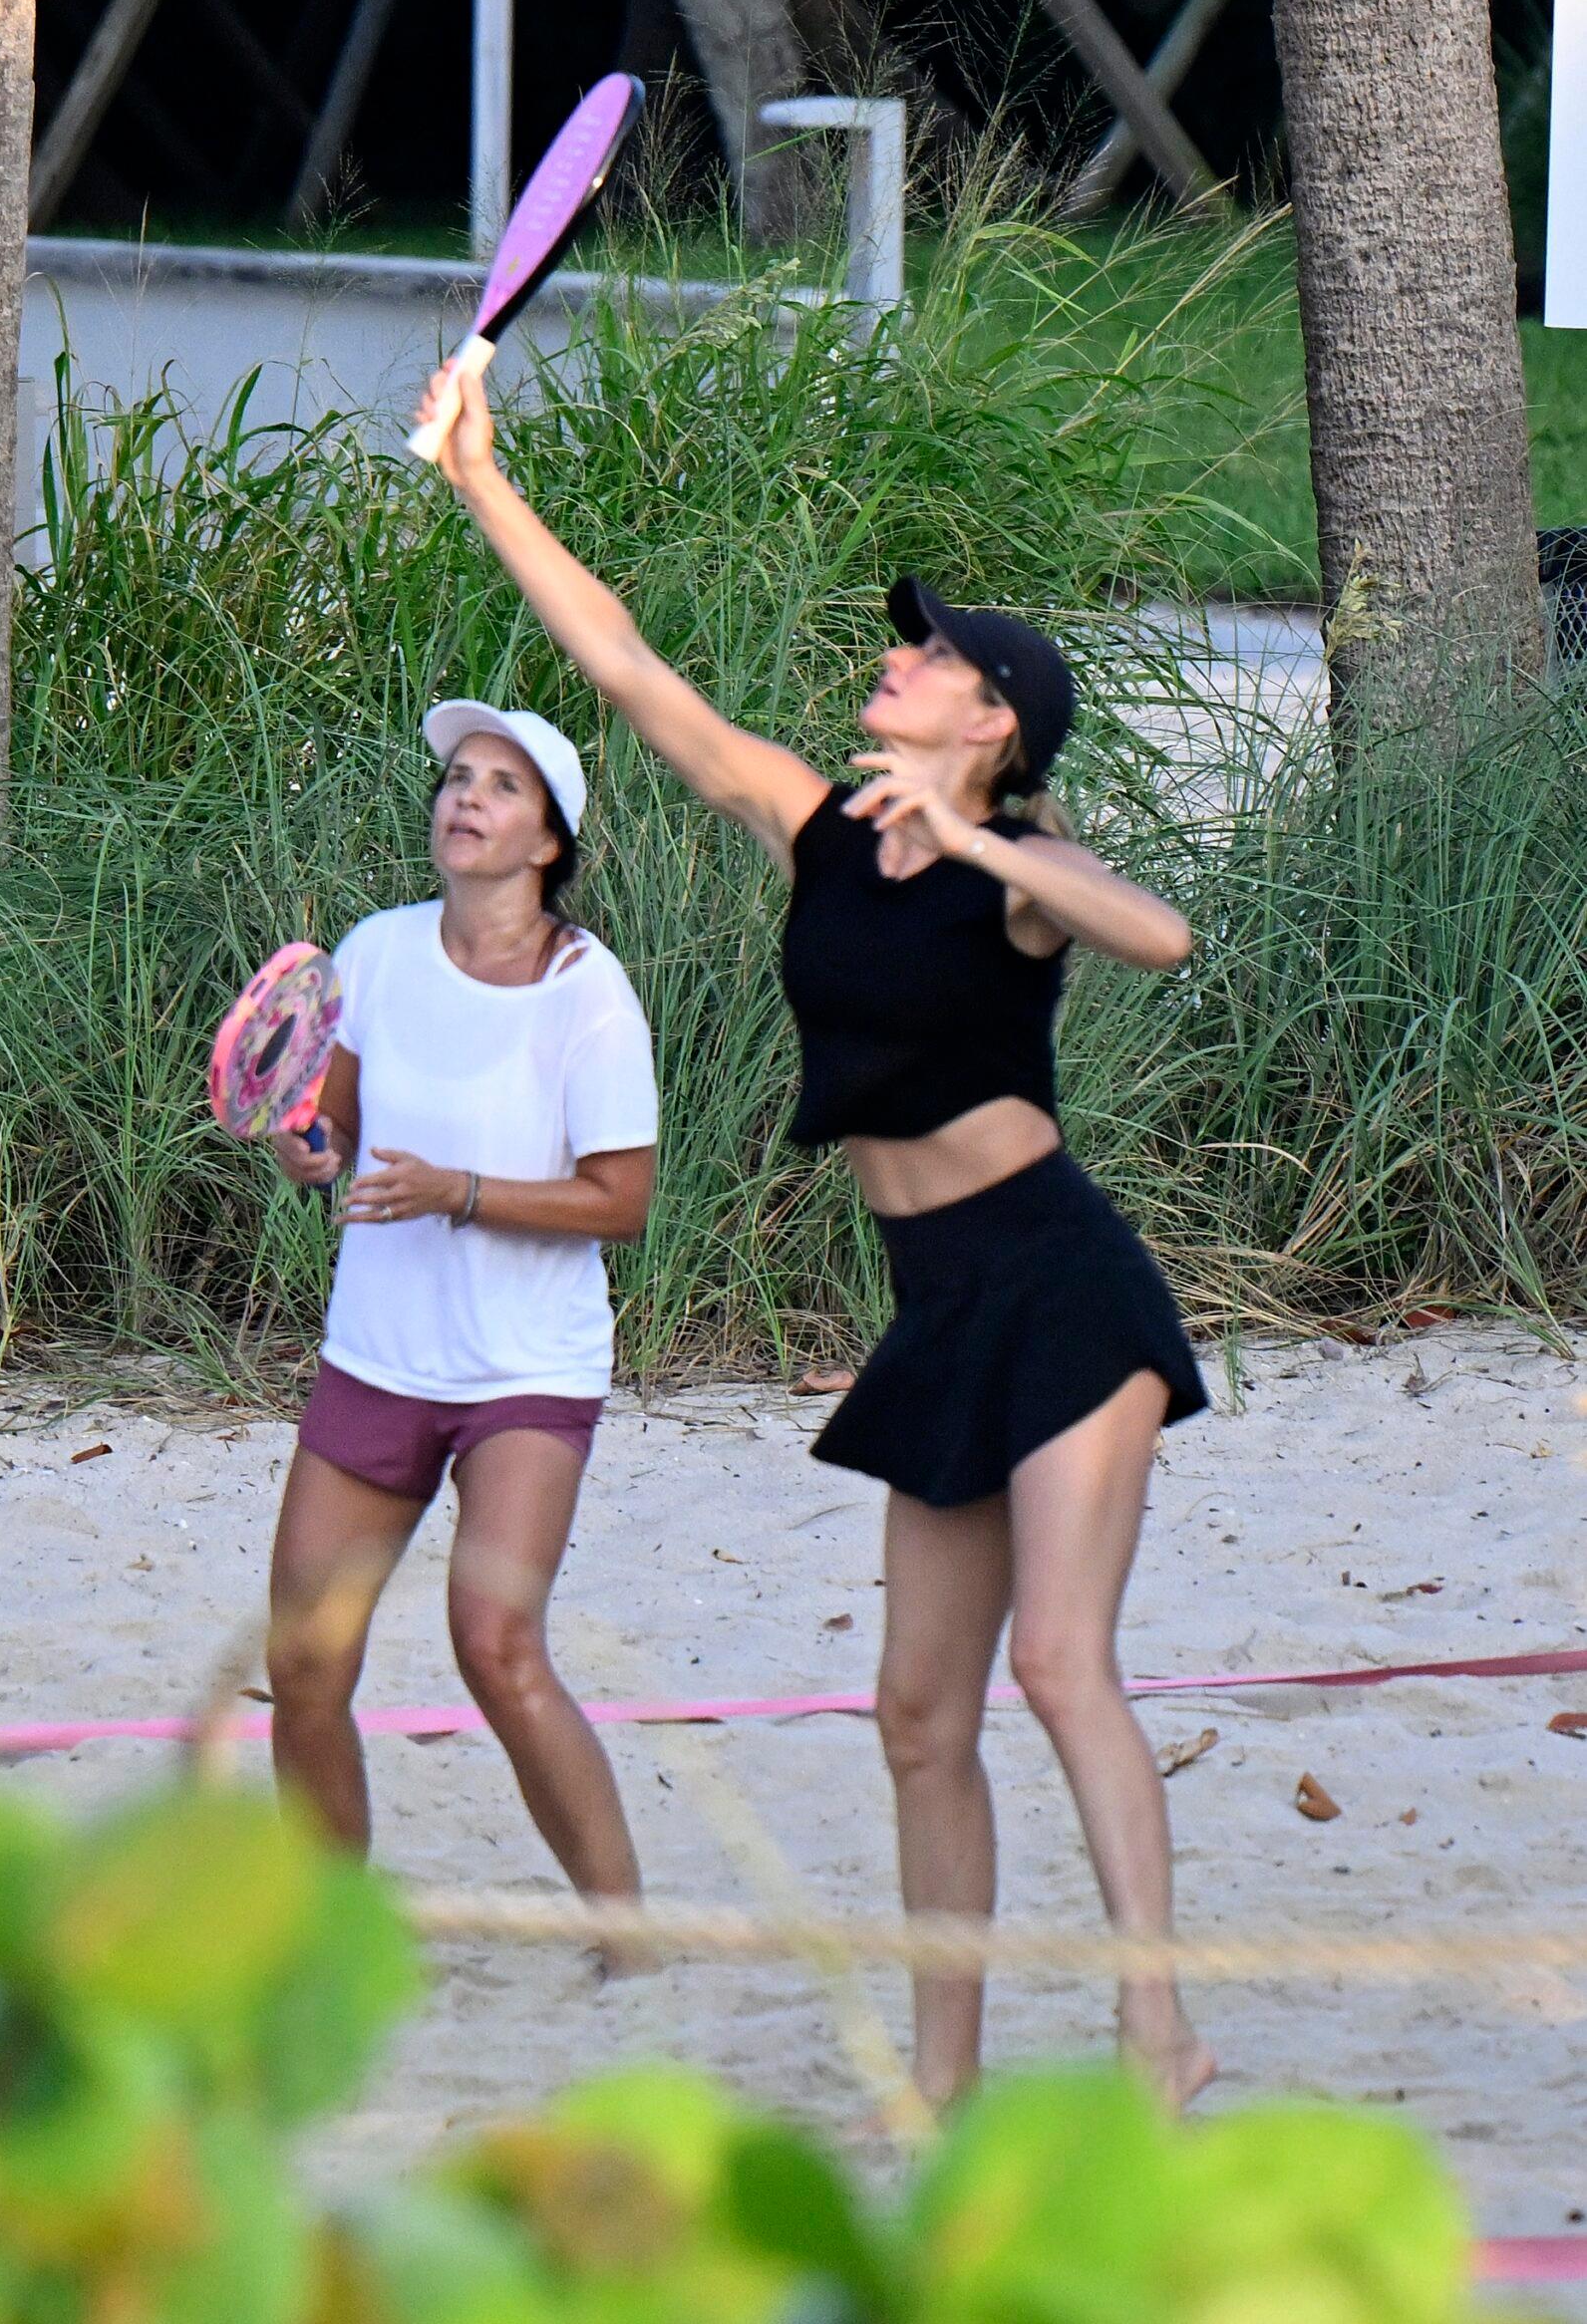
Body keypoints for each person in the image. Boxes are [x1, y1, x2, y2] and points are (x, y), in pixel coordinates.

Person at [417, 360, 1216, 2112]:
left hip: (1058, 1287)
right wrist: (480, 476)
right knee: (915, 1717)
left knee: (1062, 1666)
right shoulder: (818, 829)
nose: (898, 657)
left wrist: (975, 836)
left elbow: (1152, 934)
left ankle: (1155, 2027)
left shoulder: (1014, 871)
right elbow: (626, 670)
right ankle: (939, 2080)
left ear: (989, 719)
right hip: (933, 1306)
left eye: (932, 653)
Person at [266, 700, 659, 1928]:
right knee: (305, 1664)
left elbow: (623, 1200)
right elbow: (328, 1127)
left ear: (549, 841)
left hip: (523, 1371)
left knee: (494, 1644)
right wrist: (307, 1149)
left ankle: (627, 1934)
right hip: (377, 1356)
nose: (465, 798)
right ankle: (333, 1948)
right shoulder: (376, 949)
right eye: (456, 778)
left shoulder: (588, 995)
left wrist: (462, 1192)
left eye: (500, 786)